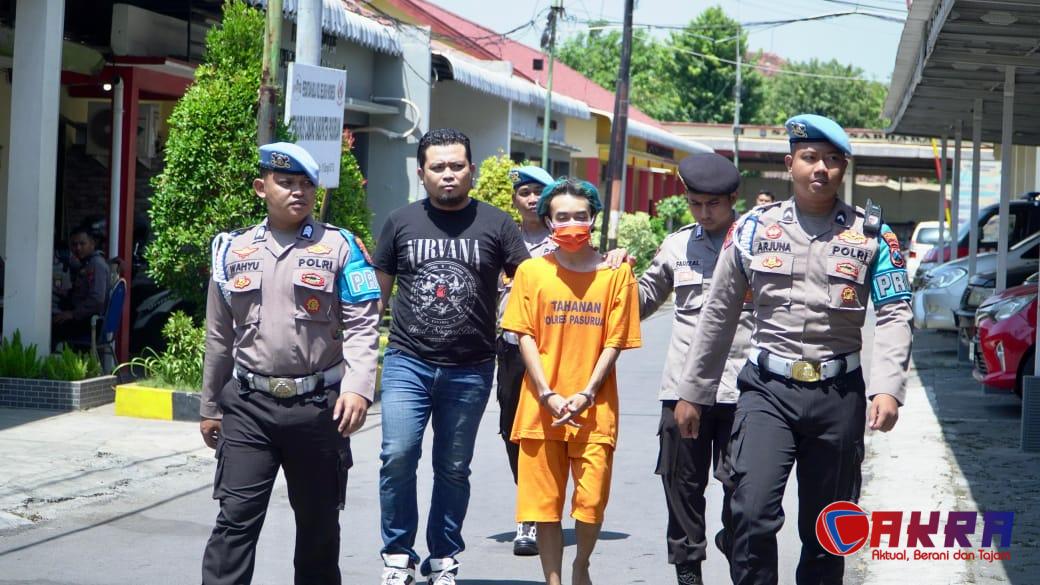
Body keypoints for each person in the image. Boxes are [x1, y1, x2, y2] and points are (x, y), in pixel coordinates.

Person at [674, 114, 913, 585]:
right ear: (790, 164)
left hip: (838, 395)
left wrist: (888, 387)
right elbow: (719, 313)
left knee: (828, 529)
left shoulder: (873, 236)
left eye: (832, 159)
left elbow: (894, 312)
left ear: (843, 168)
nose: (820, 168)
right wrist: (694, 392)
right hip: (767, 391)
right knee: (750, 512)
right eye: (809, 158)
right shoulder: (751, 230)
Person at [199, 142, 381, 585]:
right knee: (235, 521)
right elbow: (219, 336)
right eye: (286, 182)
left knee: (319, 527)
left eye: (306, 184)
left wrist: (358, 388)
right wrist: (209, 406)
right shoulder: (232, 251)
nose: (298, 192)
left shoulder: (341, 247)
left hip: (318, 407)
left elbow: (363, 324)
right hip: (248, 405)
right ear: (261, 187)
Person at [372, 129, 531, 585]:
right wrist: (356, 360)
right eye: (438, 167)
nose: (448, 174)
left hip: (471, 367)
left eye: (457, 166)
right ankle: (397, 555)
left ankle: (443, 557)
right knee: (397, 455)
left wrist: (597, 264)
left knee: (453, 467)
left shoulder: (497, 225)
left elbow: (534, 284)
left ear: (471, 171)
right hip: (408, 361)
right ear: (421, 173)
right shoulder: (400, 223)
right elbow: (376, 300)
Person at [501, 177, 641, 585]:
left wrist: (587, 392)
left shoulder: (616, 274)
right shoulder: (530, 272)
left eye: (580, 216)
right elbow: (524, 334)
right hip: (540, 408)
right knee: (544, 506)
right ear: (548, 221)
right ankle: (554, 580)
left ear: (593, 218)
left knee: (591, 501)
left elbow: (615, 340)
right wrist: (546, 392)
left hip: (594, 409)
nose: (572, 224)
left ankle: (581, 564)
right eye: (562, 217)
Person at [638, 153, 753, 585]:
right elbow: (643, 299)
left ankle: (734, 541)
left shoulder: (756, 242)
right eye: (695, 204)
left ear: (733, 199)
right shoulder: (677, 245)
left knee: (745, 488)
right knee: (681, 486)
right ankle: (688, 571)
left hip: (743, 388)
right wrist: (608, 279)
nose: (704, 214)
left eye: (713, 205)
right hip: (682, 389)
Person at [496, 165, 555, 556]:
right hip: (511, 346)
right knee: (511, 429)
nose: (532, 199)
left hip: (552, 348)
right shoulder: (503, 239)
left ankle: (534, 513)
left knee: (544, 431)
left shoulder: (564, 239)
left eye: (538, 191)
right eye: (524, 192)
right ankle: (530, 502)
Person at [52, 228, 111, 349]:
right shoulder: (88, 263)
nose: (78, 248)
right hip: (84, 318)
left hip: (88, 322)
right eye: (74, 245)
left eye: (82, 244)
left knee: (48, 326)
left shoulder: (96, 264)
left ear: (92, 244)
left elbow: (97, 300)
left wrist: (72, 314)